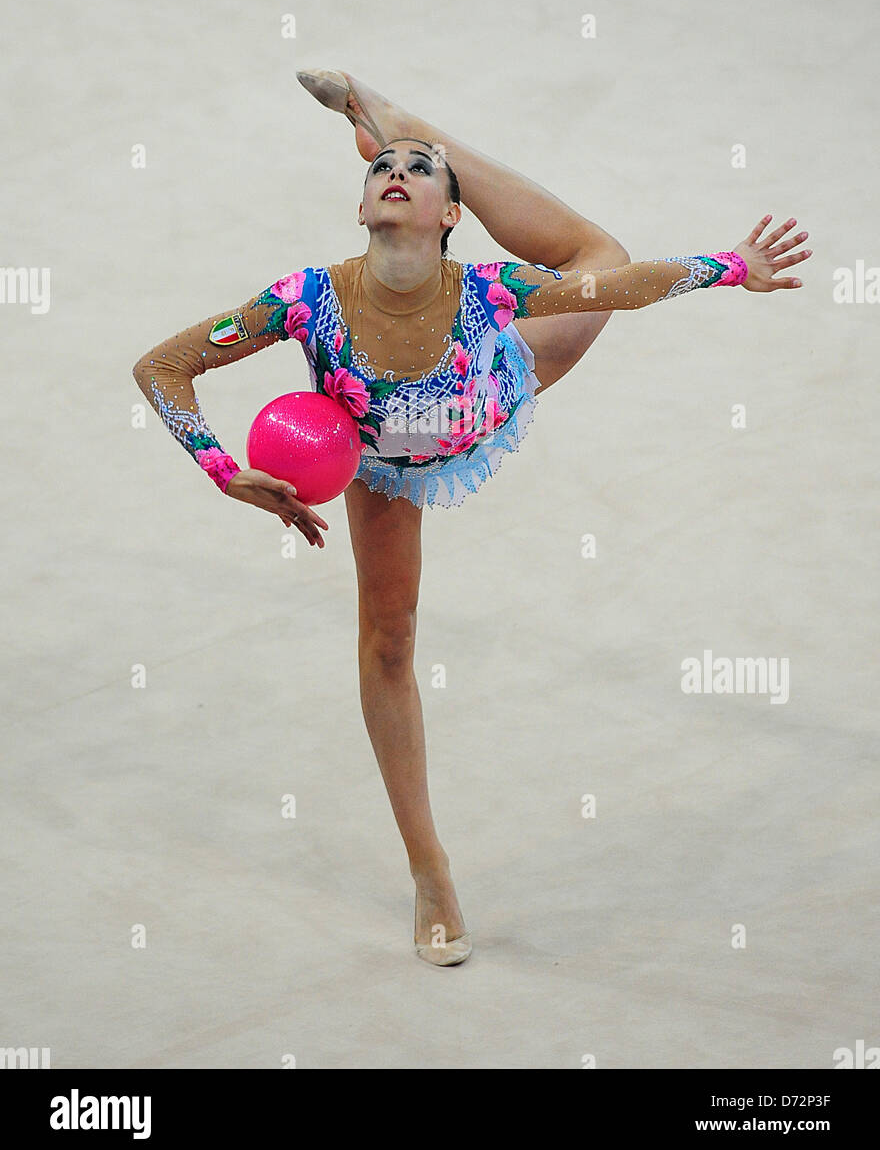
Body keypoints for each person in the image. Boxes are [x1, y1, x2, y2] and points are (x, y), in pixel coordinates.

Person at [132, 69, 811, 966]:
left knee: (598, 257)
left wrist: (733, 268)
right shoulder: (303, 300)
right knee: (389, 641)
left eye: (421, 170)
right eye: (384, 169)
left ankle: (415, 118)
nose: (397, 177)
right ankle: (429, 870)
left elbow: (626, 287)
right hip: (380, 467)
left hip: (501, 387)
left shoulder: (491, 292)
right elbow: (162, 368)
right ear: (363, 203)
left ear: (452, 213)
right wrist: (223, 471)